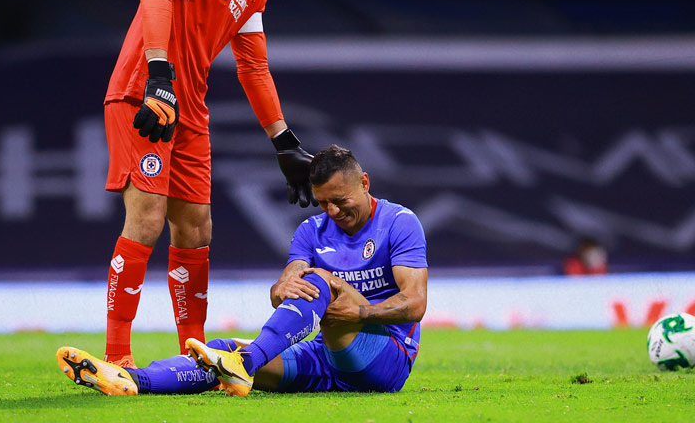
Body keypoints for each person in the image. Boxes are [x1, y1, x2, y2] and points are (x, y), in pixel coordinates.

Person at [99, 0, 318, 368]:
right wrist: (158, 76)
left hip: (190, 106)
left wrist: (283, 142)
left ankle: (192, 357)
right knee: (148, 218)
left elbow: (253, 67)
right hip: (146, 89)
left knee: (196, 229)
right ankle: (116, 356)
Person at [57, 145, 429, 396]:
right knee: (217, 351)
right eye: (323, 203)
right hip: (322, 355)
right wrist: (283, 285)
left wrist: (359, 312)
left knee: (319, 283)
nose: (332, 211)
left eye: (341, 201)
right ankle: (131, 380)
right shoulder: (310, 232)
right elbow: (283, 290)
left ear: (364, 184)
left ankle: (245, 364)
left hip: (385, 357)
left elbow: (414, 303)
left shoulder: (398, 222)